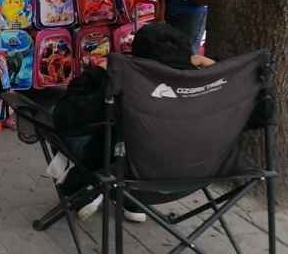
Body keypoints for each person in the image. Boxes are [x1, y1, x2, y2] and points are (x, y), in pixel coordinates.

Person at [53, 23, 215, 223]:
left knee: (83, 124)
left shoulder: (129, 85)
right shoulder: (214, 89)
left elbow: (64, 116)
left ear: (137, 59)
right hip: (200, 175)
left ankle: (84, 187)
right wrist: (216, 68)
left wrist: (99, 72)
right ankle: (128, 202)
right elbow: (260, 114)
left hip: (130, 177)